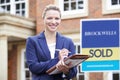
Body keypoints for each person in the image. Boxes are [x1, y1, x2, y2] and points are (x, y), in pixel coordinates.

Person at [26, 4, 77, 80]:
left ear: (60, 20)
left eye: (57, 18)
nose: (53, 22)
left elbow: (73, 73)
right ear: (43, 19)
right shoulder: (32, 41)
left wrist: (66, 70)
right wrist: (57, 60)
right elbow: (33, 67)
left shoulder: (68, 42)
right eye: (49, 18)